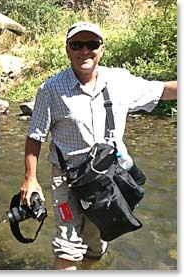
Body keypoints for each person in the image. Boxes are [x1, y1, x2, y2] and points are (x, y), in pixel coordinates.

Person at [19, 22, 177, 270]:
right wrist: (31, 179)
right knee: (67, 246)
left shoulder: (121, 81)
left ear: (102, 49)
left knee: (97, 245)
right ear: (67, 50)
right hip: (66, 179)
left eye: (92, 45)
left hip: (106, 177)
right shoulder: (50, 90)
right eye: (77, 45)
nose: (85, 51)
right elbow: (35, 137)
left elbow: (163, 90)